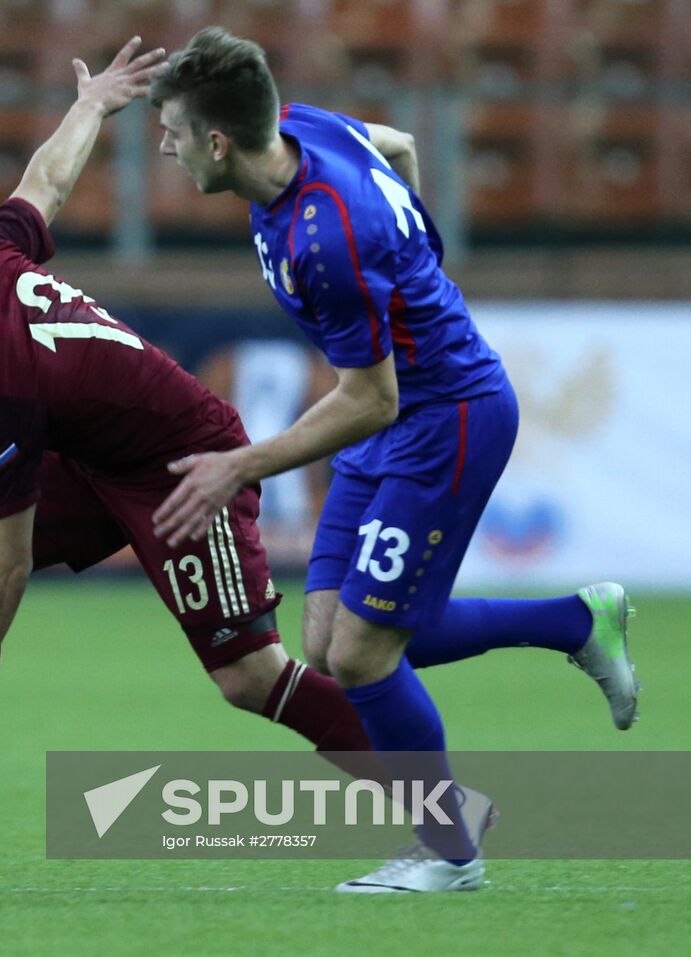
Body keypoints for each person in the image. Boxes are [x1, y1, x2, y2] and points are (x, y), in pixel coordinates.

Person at [0, 39, 483, 853]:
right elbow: (47, 183)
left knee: (250, 677)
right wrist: (90, 105)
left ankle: (443, 804)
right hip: (105, 455)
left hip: (181, 463)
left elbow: (13, 562)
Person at [147, 27, 638, 892]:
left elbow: (370, 396)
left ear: (218, 140)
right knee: (333, 643)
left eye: (174, 131)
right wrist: (405, 271)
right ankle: (576, 620)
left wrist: (242, 465)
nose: (165, 145)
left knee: (366, 655)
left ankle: (453, 855)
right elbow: (401, 145)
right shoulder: (303, 128)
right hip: (397, 415)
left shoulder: (327, 241)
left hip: (445, 416)